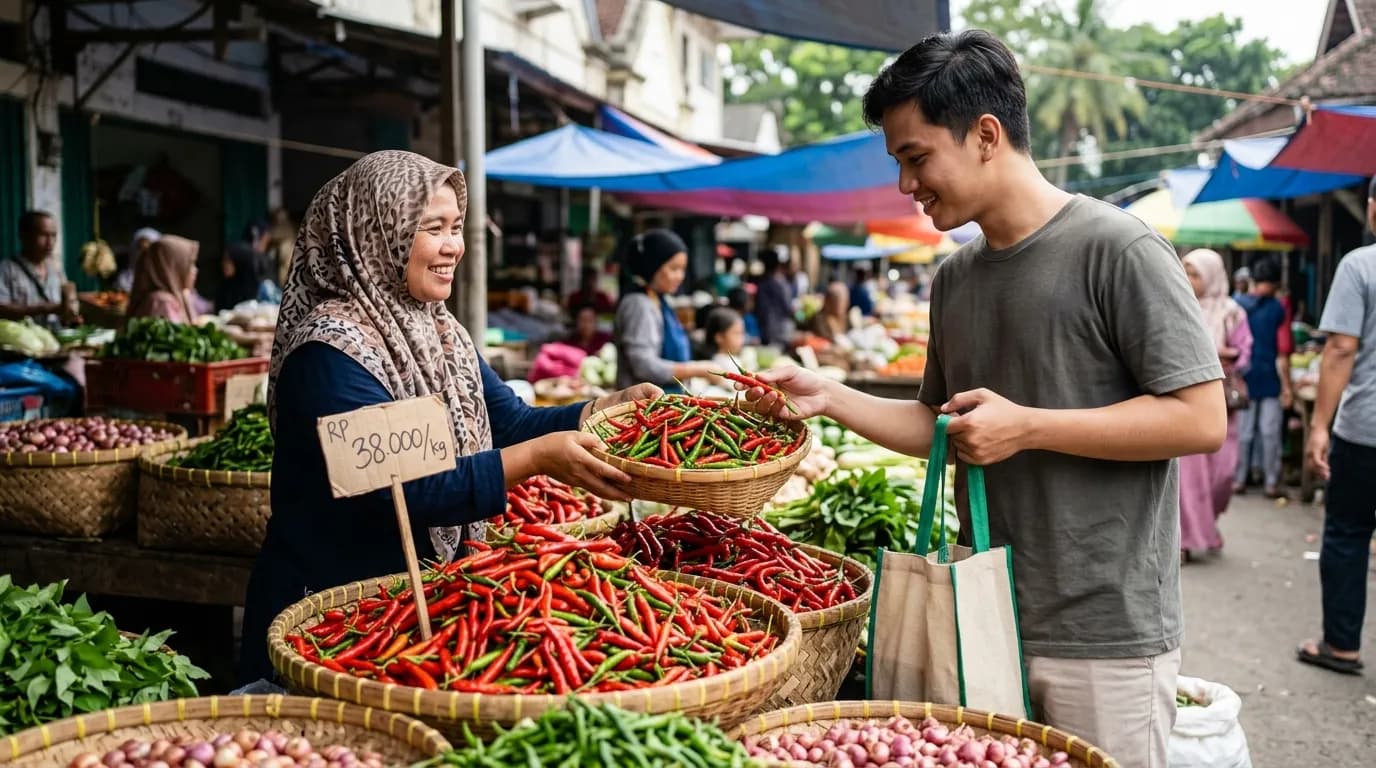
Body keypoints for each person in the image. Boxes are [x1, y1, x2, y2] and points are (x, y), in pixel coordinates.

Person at [740, 30, 1224, 768]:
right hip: (977, 613)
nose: (907, 185)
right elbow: (937, 425)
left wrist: (1027, 427)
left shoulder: (1118, 249)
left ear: (986, 135)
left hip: (1103, 630)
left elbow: (1200, 418)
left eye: (916, 157)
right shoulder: (956, 278)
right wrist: (830, 396)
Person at [237, 151, 657, 685]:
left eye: (456, 227)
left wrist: (602, 411)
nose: (454, 246)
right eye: (433, 228)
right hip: (328, 622)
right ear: (375, 234)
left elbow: (508, 422)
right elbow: (406, 489)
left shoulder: (439, 331)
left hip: (406, 616)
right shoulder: (329, 350)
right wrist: (537, 459)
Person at [1298, 176, 1376, 676]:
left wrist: (1319, 426)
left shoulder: (1360, 265)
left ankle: (1342, 645)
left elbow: (1341, 349)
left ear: (1372, 211)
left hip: (1365, 431)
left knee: (1348, 534)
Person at [1178, 249, 1253, 560]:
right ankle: (1184, 541)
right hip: (1184, 401)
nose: (1189, 280)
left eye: (1195, 273)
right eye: (1186, 272)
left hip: (1222, 402)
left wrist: (1228, 356)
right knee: (1188, 478)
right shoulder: (1177, 305)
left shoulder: (1233, 312)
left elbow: (1246, 353)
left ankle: (1207, 526)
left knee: (1222, 475)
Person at [613, 229, 718, 390]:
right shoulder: (638, 304)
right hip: (641, 406)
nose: (680, 276)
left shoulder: (659, 300)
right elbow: (643, 365)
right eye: (674, 268)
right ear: (653, 266)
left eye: (683, 269)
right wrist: (698, 369)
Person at [1233, 258, 1293, 498]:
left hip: (1245, 376)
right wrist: (1287, 386)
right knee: (1269, 432)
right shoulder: (1278, 308)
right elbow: (1283, 349)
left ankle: (1241, 479)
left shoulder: (1237, 305)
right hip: (1267, 377)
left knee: (1245, 433)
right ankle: (1269, 481)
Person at [0, 210, 80, 326]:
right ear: (24, 236)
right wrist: (45, 308)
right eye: (43, 235)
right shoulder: (7, 269)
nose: (50, 242)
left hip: (54, 339)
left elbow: (63, 308)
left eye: (53, 235)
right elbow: (2, 309)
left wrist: (69, 316)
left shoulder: (56, 267)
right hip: (24, 341)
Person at [127, 235, 199, 323]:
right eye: (190, 264)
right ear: (172, 268)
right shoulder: (161, 302)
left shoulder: (178, 295)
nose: (195, 270)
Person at [219, 221, 272, 310]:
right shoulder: (223, 290)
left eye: (228, 261)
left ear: (240, 264)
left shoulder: (258, 292)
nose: (224, 264)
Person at [755, 254, 794, 347]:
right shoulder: (781, 284)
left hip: (770, 330)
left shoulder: (764, 284)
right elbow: (788, 307)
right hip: (780, 330)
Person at [114, 227, 161, 293]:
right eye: (140, 248)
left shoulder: (162, 279)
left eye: (147, 250)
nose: (143, 254)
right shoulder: (124, 278)